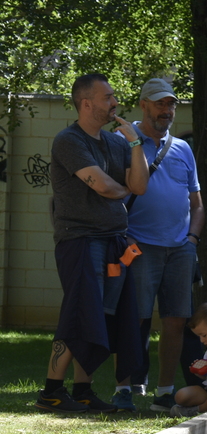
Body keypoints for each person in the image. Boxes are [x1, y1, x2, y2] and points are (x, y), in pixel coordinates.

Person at [36, 73, 148, 415]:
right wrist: (122, 186)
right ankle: (51, 392)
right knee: (78, 312)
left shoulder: (116, 143)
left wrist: (136, 143)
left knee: (99, 317)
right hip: (80, 239)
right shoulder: (68, 141)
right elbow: (104, 187)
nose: (115, 103)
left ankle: (83, 390)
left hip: (113, 240)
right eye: (108, 97)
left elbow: (139, 185)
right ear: (87, 103)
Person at [124, 78, 205, 414]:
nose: (166, 111)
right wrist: (125, 237)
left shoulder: (183, 148)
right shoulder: (124, 141)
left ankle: (165, 391)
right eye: (159, 104)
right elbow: (113, 194)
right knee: (137, 319)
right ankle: (126, 386)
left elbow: (197, 204)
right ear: (144, 105)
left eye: (171, 104)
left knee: (175, 320)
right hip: (141, 246)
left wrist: (191, 240)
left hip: (180, 249)